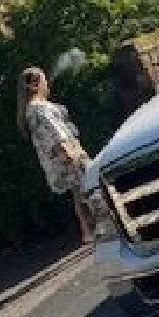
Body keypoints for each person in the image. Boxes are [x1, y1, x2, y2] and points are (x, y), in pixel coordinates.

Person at [17, 66, 96, 244]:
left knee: (77, 193)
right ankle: (99, 226)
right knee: (89, 189)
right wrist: (72, 155)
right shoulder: (40, 109)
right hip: (68, 156)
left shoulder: (29, 111)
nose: (47, 83)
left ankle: (87, 231)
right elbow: (57, 135)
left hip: (56, 162)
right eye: (44, 80)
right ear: (35, 85)